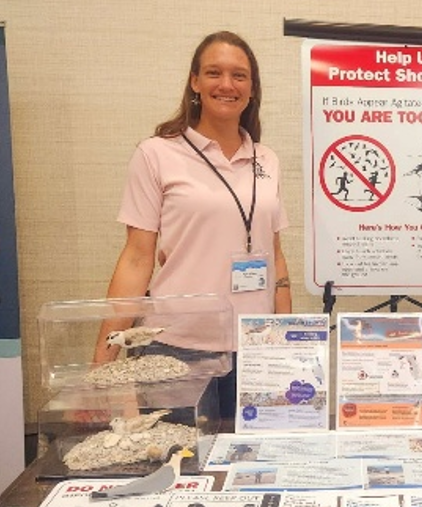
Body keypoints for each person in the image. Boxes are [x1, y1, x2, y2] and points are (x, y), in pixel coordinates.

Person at [93, 31, 291, 419]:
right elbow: (136, 259)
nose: (226, 84)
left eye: (239, 75)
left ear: (252, 88)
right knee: (179, 471)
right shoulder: (157, 153)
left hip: (256, 351)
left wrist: (284, 346)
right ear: (195, 82)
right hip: (176, 351)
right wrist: (104, 361)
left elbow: (276, 258)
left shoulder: (266, 160)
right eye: (214, 73)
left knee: (253, 472)